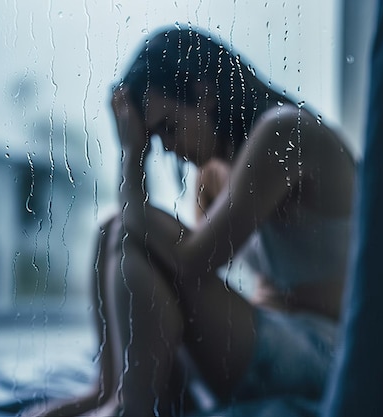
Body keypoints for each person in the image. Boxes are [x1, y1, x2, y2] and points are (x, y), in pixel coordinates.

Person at [23, 25, 356, 417]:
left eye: (168, 128)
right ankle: (113, 389)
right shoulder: (213, 173)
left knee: (127, 233)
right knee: (112, 231)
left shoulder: (284, 132)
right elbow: (167, 273)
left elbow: (190, 262)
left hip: (324, 355)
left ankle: (129, 406)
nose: (170, 149)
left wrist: (132, 157)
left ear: (204, 93)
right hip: (264, 341)